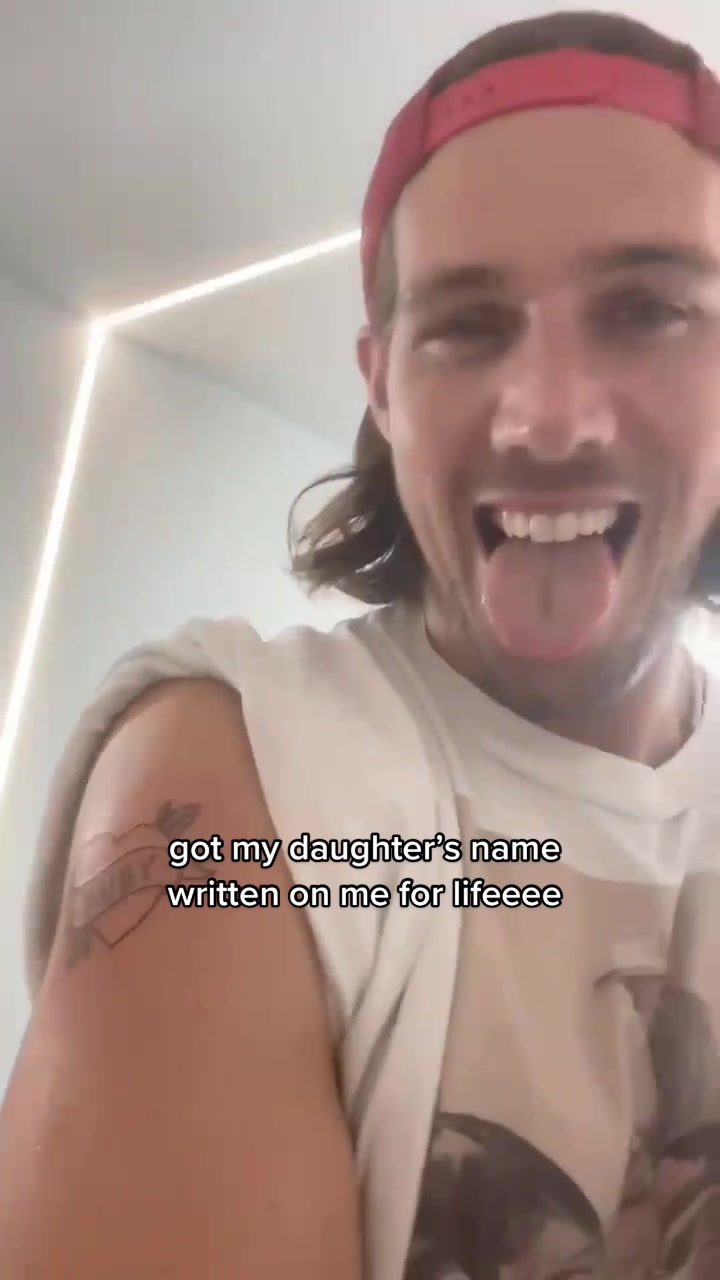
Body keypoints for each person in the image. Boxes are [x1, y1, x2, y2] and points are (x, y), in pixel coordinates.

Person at [2, 8, 720, 1277]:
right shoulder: (254, 774)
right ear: (382, 386)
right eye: (467, 325)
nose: (549, 417)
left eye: (649, 309)